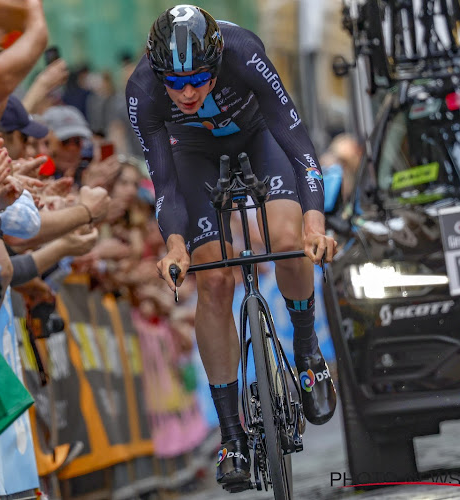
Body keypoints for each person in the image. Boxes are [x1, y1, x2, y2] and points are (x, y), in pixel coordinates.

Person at [125, 5, 338, 493]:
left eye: (198, 78)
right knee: (215, 280)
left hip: (260, 139)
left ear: (216, 62)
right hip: (192, 157)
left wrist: (313, 222)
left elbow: (298, 141)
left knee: (287, 244)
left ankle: (306, 353)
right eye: (174, 82)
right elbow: (164, 187)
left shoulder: (243, 50)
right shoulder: (142, 91)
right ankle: (231, 433)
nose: (186, 92)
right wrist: (175, 247)